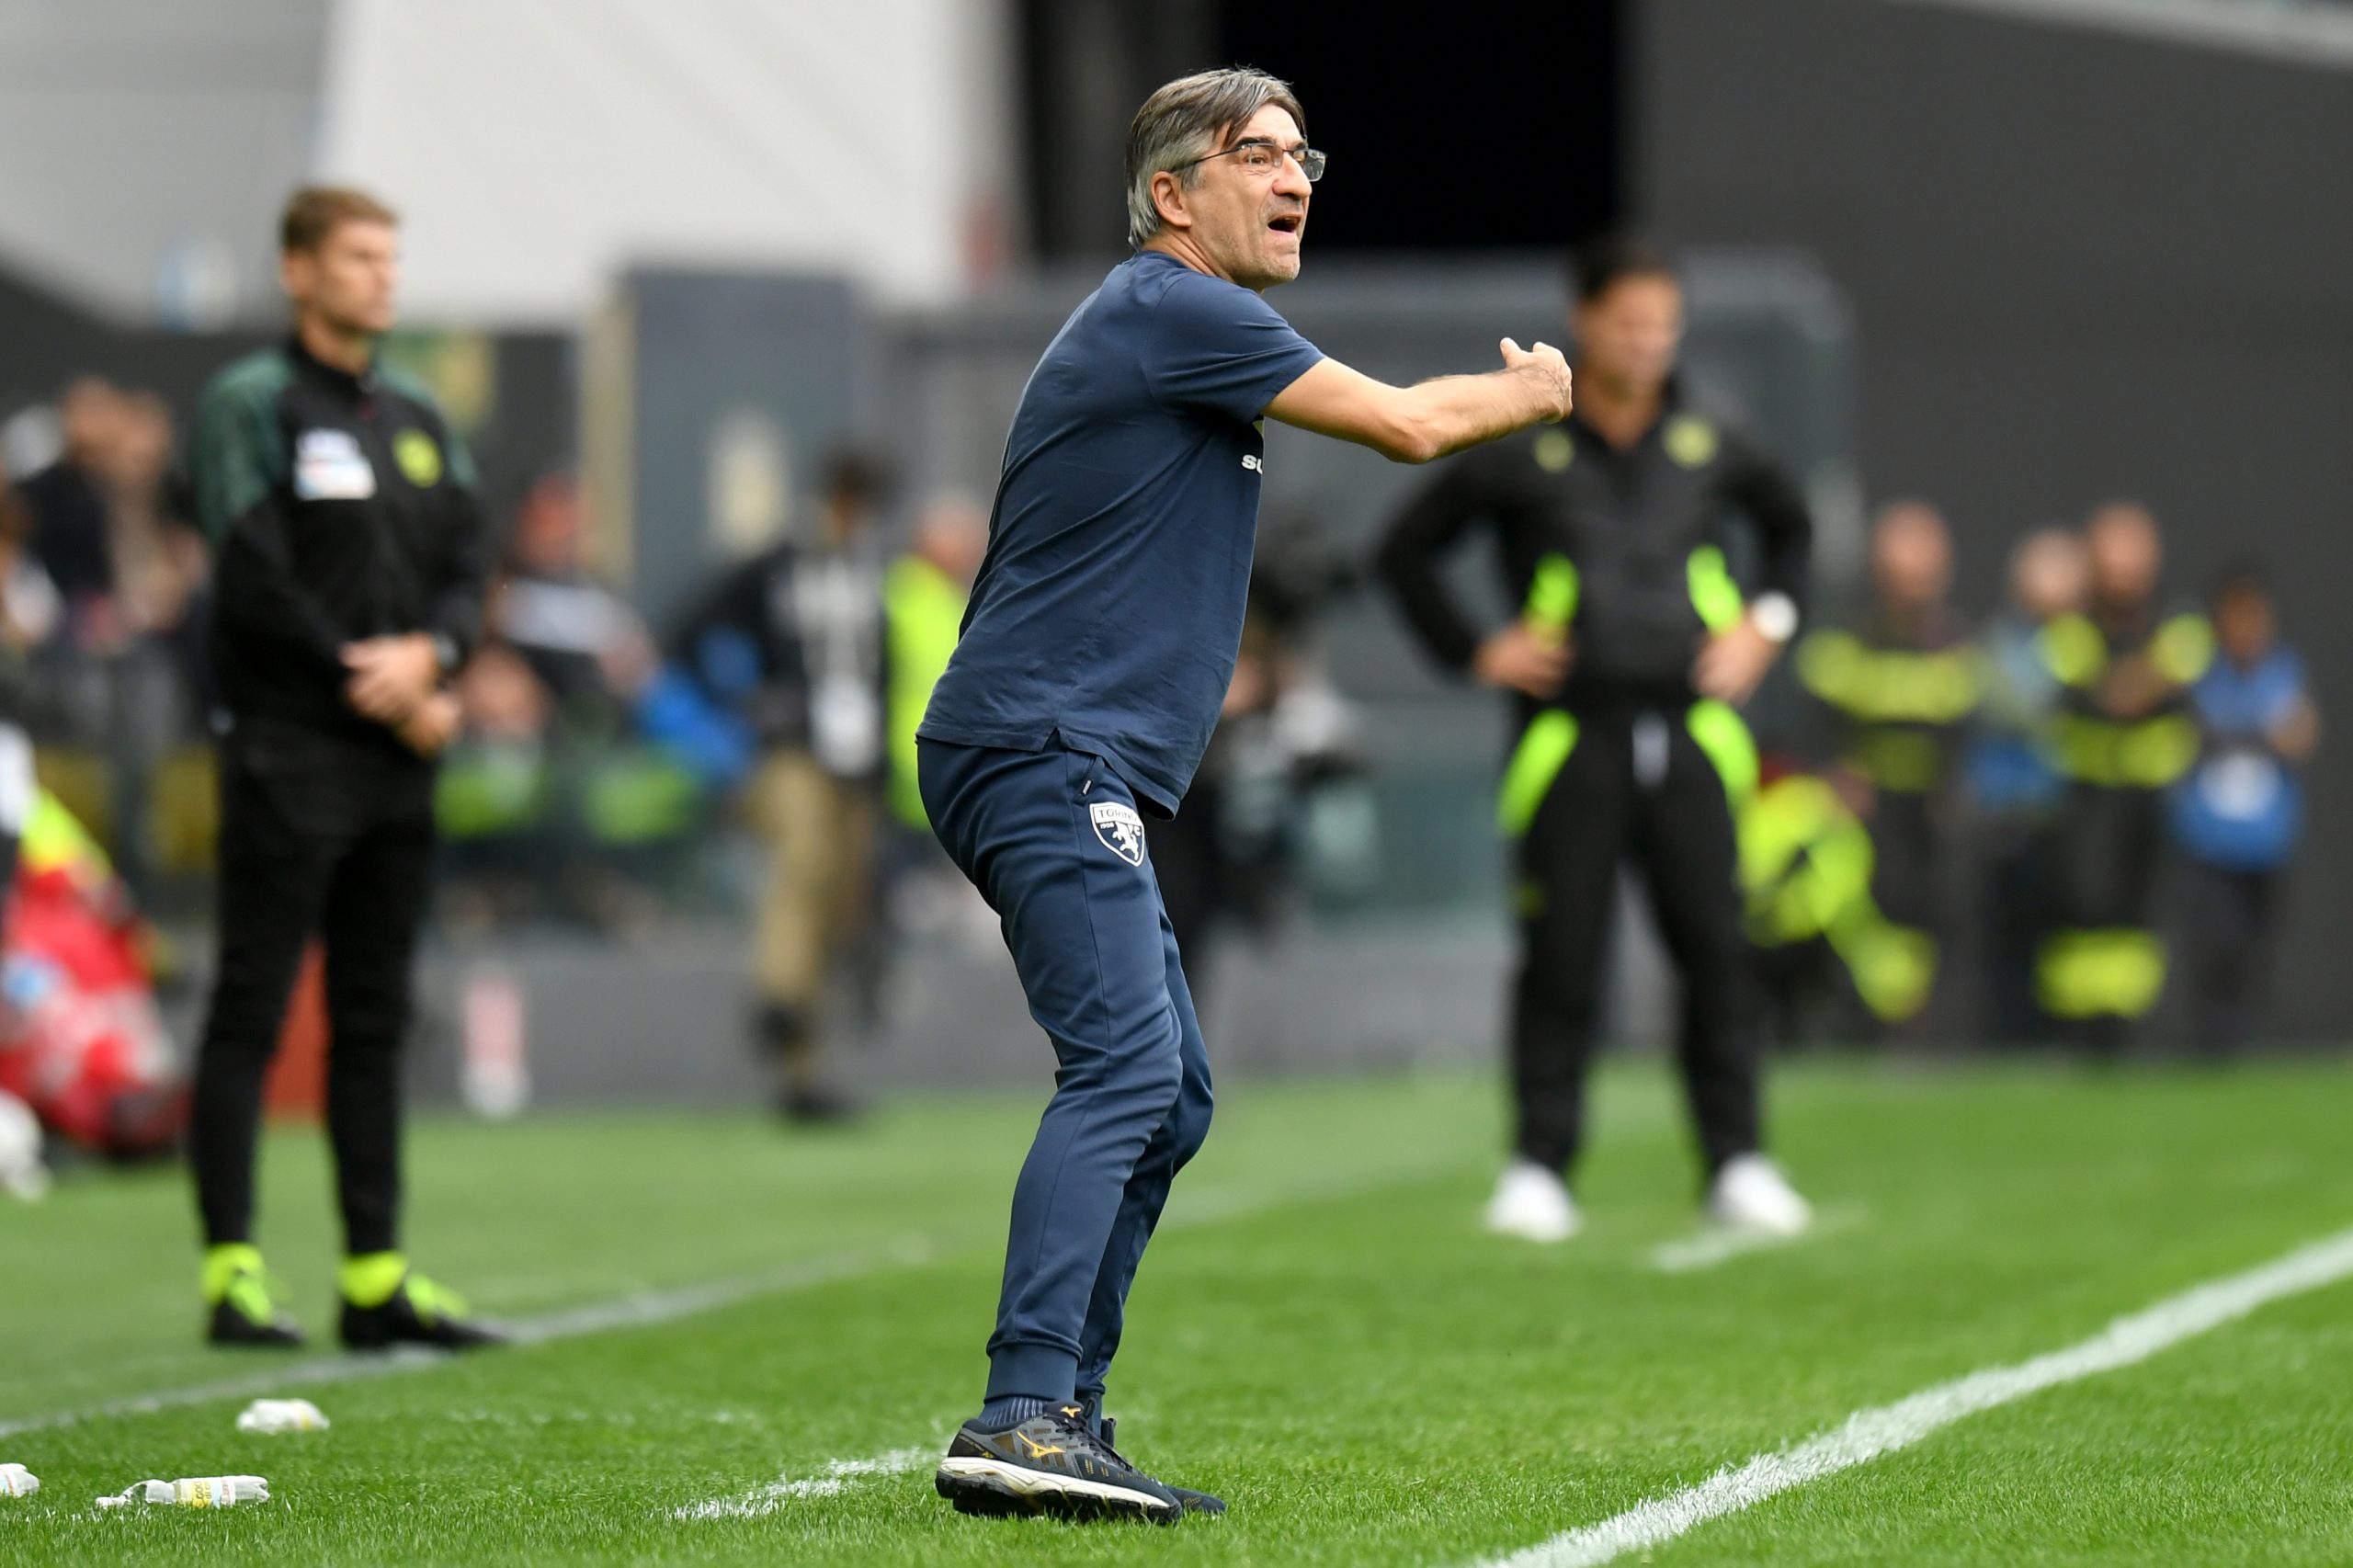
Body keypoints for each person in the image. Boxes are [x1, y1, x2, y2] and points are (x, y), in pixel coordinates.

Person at [916, 66, 1573, 1525]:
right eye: (1258, 154)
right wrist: (1533, 392)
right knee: (1127, 1070)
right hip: (1041, 745)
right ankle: (1022, 1410)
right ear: (1171, 195)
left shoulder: (1176, 327)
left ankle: (1064, 1411)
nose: (1294, 179)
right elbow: (1407, 426)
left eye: (1303, 156)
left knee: (1172, 1090)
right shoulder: (1179, 307)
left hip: (1052, 747)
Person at [1377, 236, 1813, 1246]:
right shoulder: (1527, 440)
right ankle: (1539, 1167)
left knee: (1717, 950)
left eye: (1664, 321)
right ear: (1584, 321)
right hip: (1568, 737)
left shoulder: (1715, 432)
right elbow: (1405, 551)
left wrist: (1767, 624)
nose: (1649, 339)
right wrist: (1477, 649)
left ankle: (1738, 1160)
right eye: (1629, 320)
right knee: (1561, 955)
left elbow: (1791, 527)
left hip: (1695, 731)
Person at [186, 186, 498, 1350]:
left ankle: (374, 1275)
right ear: (298, 271)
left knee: (375, 1015)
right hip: (287, 747)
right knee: (252, 1004)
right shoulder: (251, 404)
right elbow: (250, 568)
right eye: (358, 256)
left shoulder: (415, 412)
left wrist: (436, 657)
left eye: (389, 257)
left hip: (395, 763)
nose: (382, 275)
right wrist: (378, 679)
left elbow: (470, 562)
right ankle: (232, 1270)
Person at [674, 449, 890, 1122]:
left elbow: (880, 670)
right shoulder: (776, 567)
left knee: (837, 907)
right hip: (794, 755)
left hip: (858, 763)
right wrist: (747, 701)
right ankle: (776, 996)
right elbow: (689, 628)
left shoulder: (872, 573)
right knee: (804, 861)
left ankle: (801, 1070)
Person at [2032, 503, 2212, 1050]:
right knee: (2086, 909)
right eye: (2111, 555)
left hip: (2153, 800)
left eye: (2134, 555)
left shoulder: (2179, 623)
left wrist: (2142, 679)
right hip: (2088, 801)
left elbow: (2165, 674)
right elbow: (2110, 695)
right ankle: (2079, 1032)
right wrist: (2155, 673)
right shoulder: (2072, 630)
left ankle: (2134, 1031)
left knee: (2142, 918)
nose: (2124, 570)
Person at [1794, 501, 1978, 1031]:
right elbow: (1814, 724)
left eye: (1923, 576)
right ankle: (1866, 1023)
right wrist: (1837, 772)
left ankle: (1928, 1027)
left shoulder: (1958, 648)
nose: (1913, 589)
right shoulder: (1846, 643)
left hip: (1932, 818)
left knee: (1938, 914)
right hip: (1865, 820)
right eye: (1901, 576)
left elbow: (1968, 728)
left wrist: (1951, 786)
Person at [2169, 565, 2316, 1053]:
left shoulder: (2282, 671)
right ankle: (2212, 1043)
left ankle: (2250, 1041)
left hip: (2265, 841)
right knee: (2215, 944)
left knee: (2257, 945)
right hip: (2209, 840)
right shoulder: (2199, 671)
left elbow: (2300, 734)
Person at [1968, 528, 2086, 1042]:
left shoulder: (2084, 642)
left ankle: (2057, 1037)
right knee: (2003, 934)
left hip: (2064, 810)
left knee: (2060, 933)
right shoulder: (2002, 644)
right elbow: (2019, 705)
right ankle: (2008, 1036)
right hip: (2006, 810)